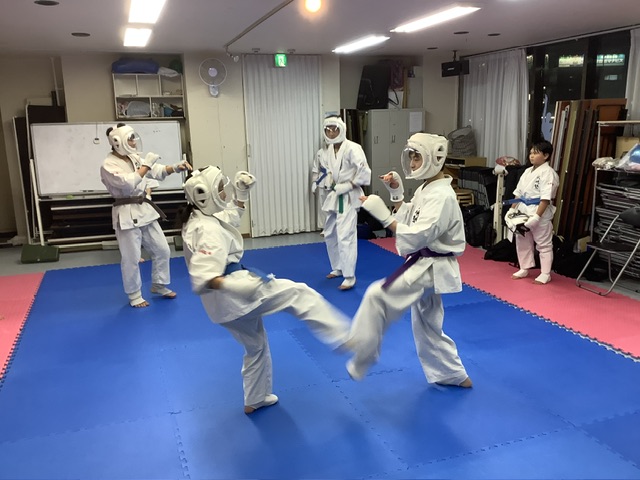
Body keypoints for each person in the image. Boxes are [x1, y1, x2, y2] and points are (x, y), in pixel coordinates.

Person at [178, 165, 352, 414]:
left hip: (220, 307)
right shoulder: (207, 230)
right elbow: (203, 275)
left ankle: (255, 398)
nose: (224, 192)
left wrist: (241, 194)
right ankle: (344, 337)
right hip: (236, 295)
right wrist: (234, 285)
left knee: (255, 346)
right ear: (203, 194)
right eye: (221, 188)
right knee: (299, 293)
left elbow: (228, 219)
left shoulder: (199, 219)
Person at [344, 133, 472, 388]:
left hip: (431, 267)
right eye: (411, 157)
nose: (412, 164)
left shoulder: (442, 196)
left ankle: (364, 354)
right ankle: (454, 375)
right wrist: (396, 192)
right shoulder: (428, 188)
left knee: (376, 296)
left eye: (417, 158)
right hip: (427, 263)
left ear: (434, 159)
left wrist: (384, 217)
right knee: (427, 325)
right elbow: (411, 218)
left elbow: (421, 233)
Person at [100, 123, 192, 308]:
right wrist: (146, 165)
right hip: (125, 213)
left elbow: (156, 171)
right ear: (118, 142)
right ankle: (134, 294)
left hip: (144, 210)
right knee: (131, 258)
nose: (134, 142)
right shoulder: (108, 165)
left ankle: (159, 284)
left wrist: (176, 167)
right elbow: (128, 183)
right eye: (130, 139)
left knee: (162, 250)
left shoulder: (133, 157)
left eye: (133, 139)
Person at [318, 116, 371, 290]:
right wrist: (327, 181)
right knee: (330, 232)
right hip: (335, 195)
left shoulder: (353, 148)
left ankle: (349, 276)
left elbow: (364, 172)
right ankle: (338, 267)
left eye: (335, 129)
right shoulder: (328, 150)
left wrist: (349, 185)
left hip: (348, 196)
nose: (331, 133)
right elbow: (327, 171)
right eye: (328, 130)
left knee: (345, 235)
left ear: (342, 129)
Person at [505, 140, 559, 285]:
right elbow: (518, 193)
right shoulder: (527, 171)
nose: (531, 156)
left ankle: (545, 273)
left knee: (543, 243)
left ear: (546, 155)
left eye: (535, 153)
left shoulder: (549, 173)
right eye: (530, 153)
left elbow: (546, 198)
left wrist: (536, 217)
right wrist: (512, 210)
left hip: (539, 211)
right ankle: (524, 268)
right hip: (522, 210)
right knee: (522, 240)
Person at [311, 145, 331, 235]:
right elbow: (316, 169)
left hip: (333, 181)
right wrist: (314, 182)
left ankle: (334, 227)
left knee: (333, 206)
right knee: (322, 206)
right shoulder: (320, 152)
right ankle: (324, 227)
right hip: (322, 181)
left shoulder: (339, 152)